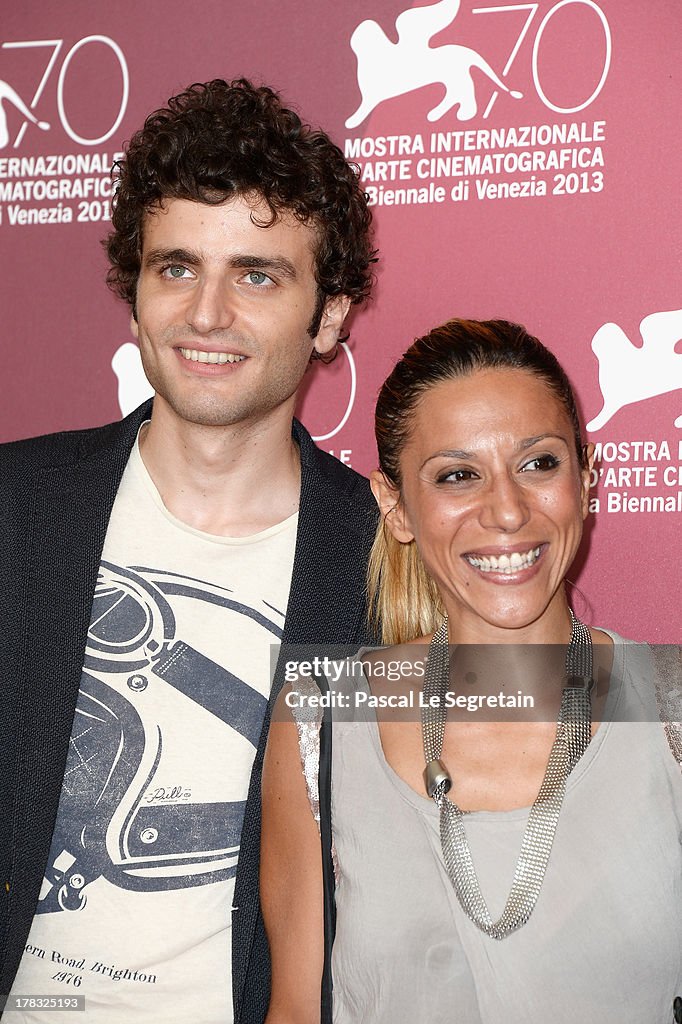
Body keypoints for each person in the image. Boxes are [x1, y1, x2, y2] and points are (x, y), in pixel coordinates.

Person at [0, 79, 378, 1024]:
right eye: (176, 267)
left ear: (329, 316)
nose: (206, 314)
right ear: (134, 293)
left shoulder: (378, 559)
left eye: (256, 274)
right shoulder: (15, 511)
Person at [261, 319, 682, 1024]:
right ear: (395, 507)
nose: (508, 510)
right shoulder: (319, 716)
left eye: (539, 464)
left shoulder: (671, 703)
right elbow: (297, 1011)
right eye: (458, 475)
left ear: (588, 480)